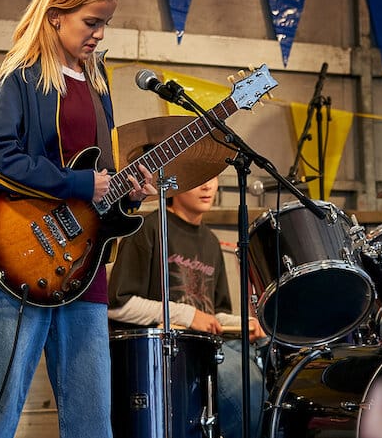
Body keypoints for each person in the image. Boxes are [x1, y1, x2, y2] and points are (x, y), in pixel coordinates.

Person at [0, 0, 154, 438]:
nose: (100, 34)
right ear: (56, 16)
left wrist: (128, 193)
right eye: (92, 21)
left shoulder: (98, 82)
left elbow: (100, 179)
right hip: (25, 256)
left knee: (92, 419)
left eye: (106, 23)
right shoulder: (21, 77)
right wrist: (79, 185)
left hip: (87, 268)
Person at [108, 176, 267, 438]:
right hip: (168, 353)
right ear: (174, 183)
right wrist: (187, 314)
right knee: (243, 379)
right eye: (199, 179)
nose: (207, 186)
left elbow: (214, 315)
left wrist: (241, 325)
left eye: (213, 178)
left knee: (270, 360)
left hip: (209, 348)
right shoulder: (149, 228)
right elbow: (117, 305)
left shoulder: (211, 241)